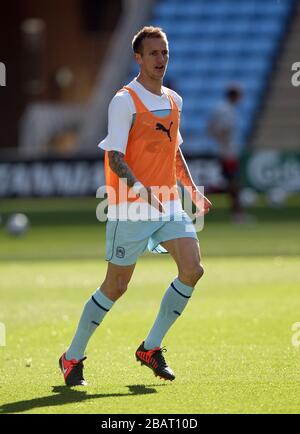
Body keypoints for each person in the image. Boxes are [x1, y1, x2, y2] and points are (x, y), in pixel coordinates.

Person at [59, 26, 212, 386]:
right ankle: (71, 357)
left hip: (168, 204)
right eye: (153, 53)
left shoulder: (175, 100)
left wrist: (192, 190)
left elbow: (174, 151)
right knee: (116, 286)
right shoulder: (123, 100)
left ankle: (151, 348)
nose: (161, 59)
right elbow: (114, 158)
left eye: (165, 52)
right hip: (131, 206)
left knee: (193, 270)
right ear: (138, 58)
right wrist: (144, 192)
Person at [207, 84, 244, 221]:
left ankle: (236, 213)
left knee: (229, 182)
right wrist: (226, 146)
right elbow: (222, 130)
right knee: (233, 183)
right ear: (234, 96)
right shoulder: (227, 111)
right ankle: (237, 214)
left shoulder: (220, 108)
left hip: (224, 151)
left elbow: (210, 127)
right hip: (228, 153)